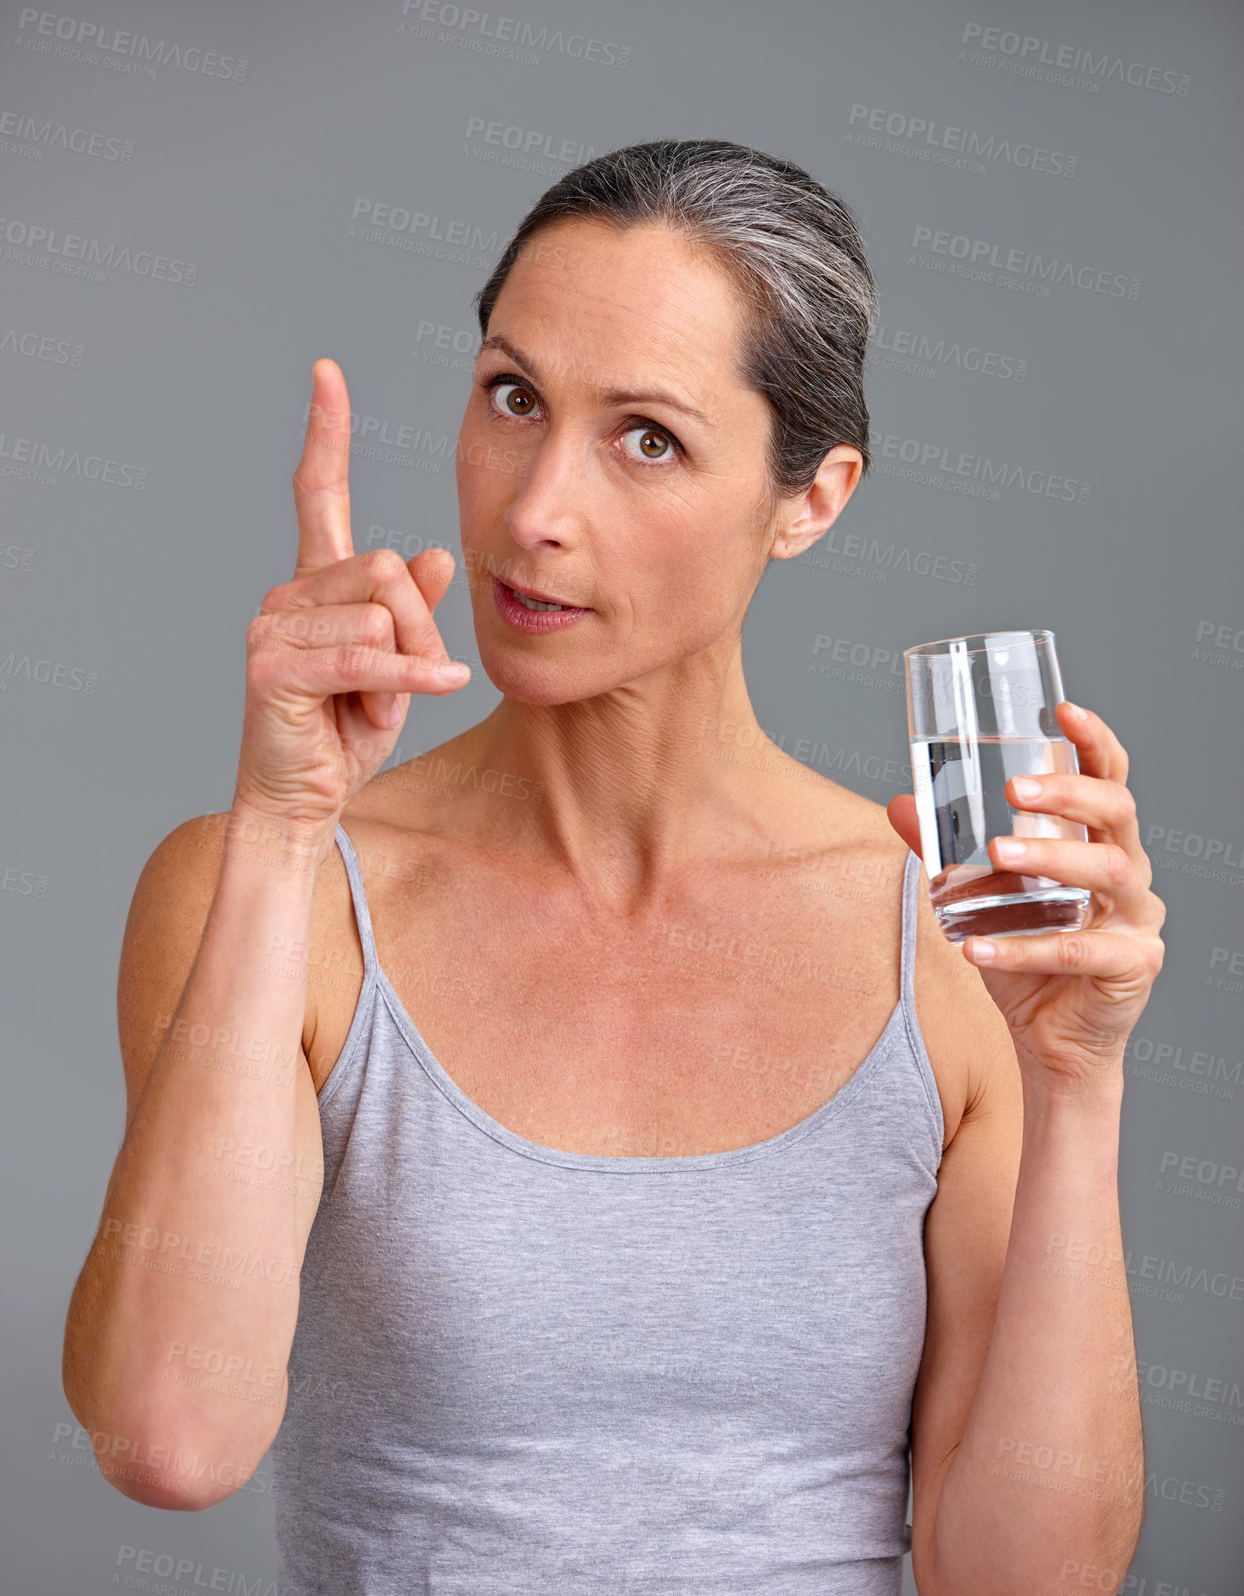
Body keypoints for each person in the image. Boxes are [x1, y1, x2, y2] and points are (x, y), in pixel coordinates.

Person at [62, 139, 1163, 1594]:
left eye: (646, 435)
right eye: (514, 397)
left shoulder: (956, 941)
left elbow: (1029, 1585)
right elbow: (171, 1438)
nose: (534, 513)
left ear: (812, 495)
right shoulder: (279, 893)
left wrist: (1076, 1087)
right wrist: (281, 830)